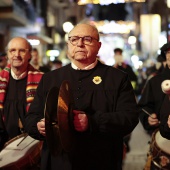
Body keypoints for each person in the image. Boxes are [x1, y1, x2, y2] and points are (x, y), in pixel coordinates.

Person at [25, 23, 139, 170]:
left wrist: (92, 122)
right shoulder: (50, 78)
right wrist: (38, 126)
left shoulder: (117, 78)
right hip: (59, 161)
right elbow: (31, 117)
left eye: (87, 39)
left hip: (101, 159)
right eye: (74, 39)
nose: (80, 44)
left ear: (98, 45)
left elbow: (130, 118)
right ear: (68, 45)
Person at [0, 37, 43, 152]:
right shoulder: (0, 80)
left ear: (30, 55)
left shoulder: (43, 81)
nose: (16, 55)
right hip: (3, 147)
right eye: (12, 50)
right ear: (8, 55)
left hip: (33, 149)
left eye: (22, 51)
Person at [138, 42, 170, 170]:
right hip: (162, 139)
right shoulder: (155, 81)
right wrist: (148, 118)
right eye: (168, 53)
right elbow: (144, 107)